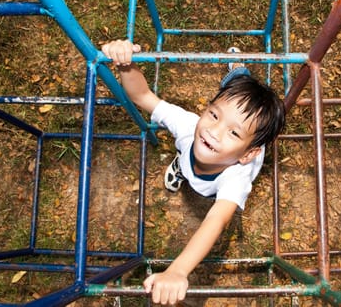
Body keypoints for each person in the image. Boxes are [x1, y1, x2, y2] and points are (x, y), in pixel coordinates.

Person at [101, 39, 285, 305]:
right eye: (213, 115)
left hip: (233, 165)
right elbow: (143, 96)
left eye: (233, 132)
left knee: (242, 98)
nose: (214, 130)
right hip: (204, 153)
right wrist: (126, 64)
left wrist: (178, 269)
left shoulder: (237, 177)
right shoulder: (188, 125)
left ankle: (238, 72)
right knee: (237, 84)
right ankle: (236, 69)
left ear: (247, 153)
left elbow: (216, 221)